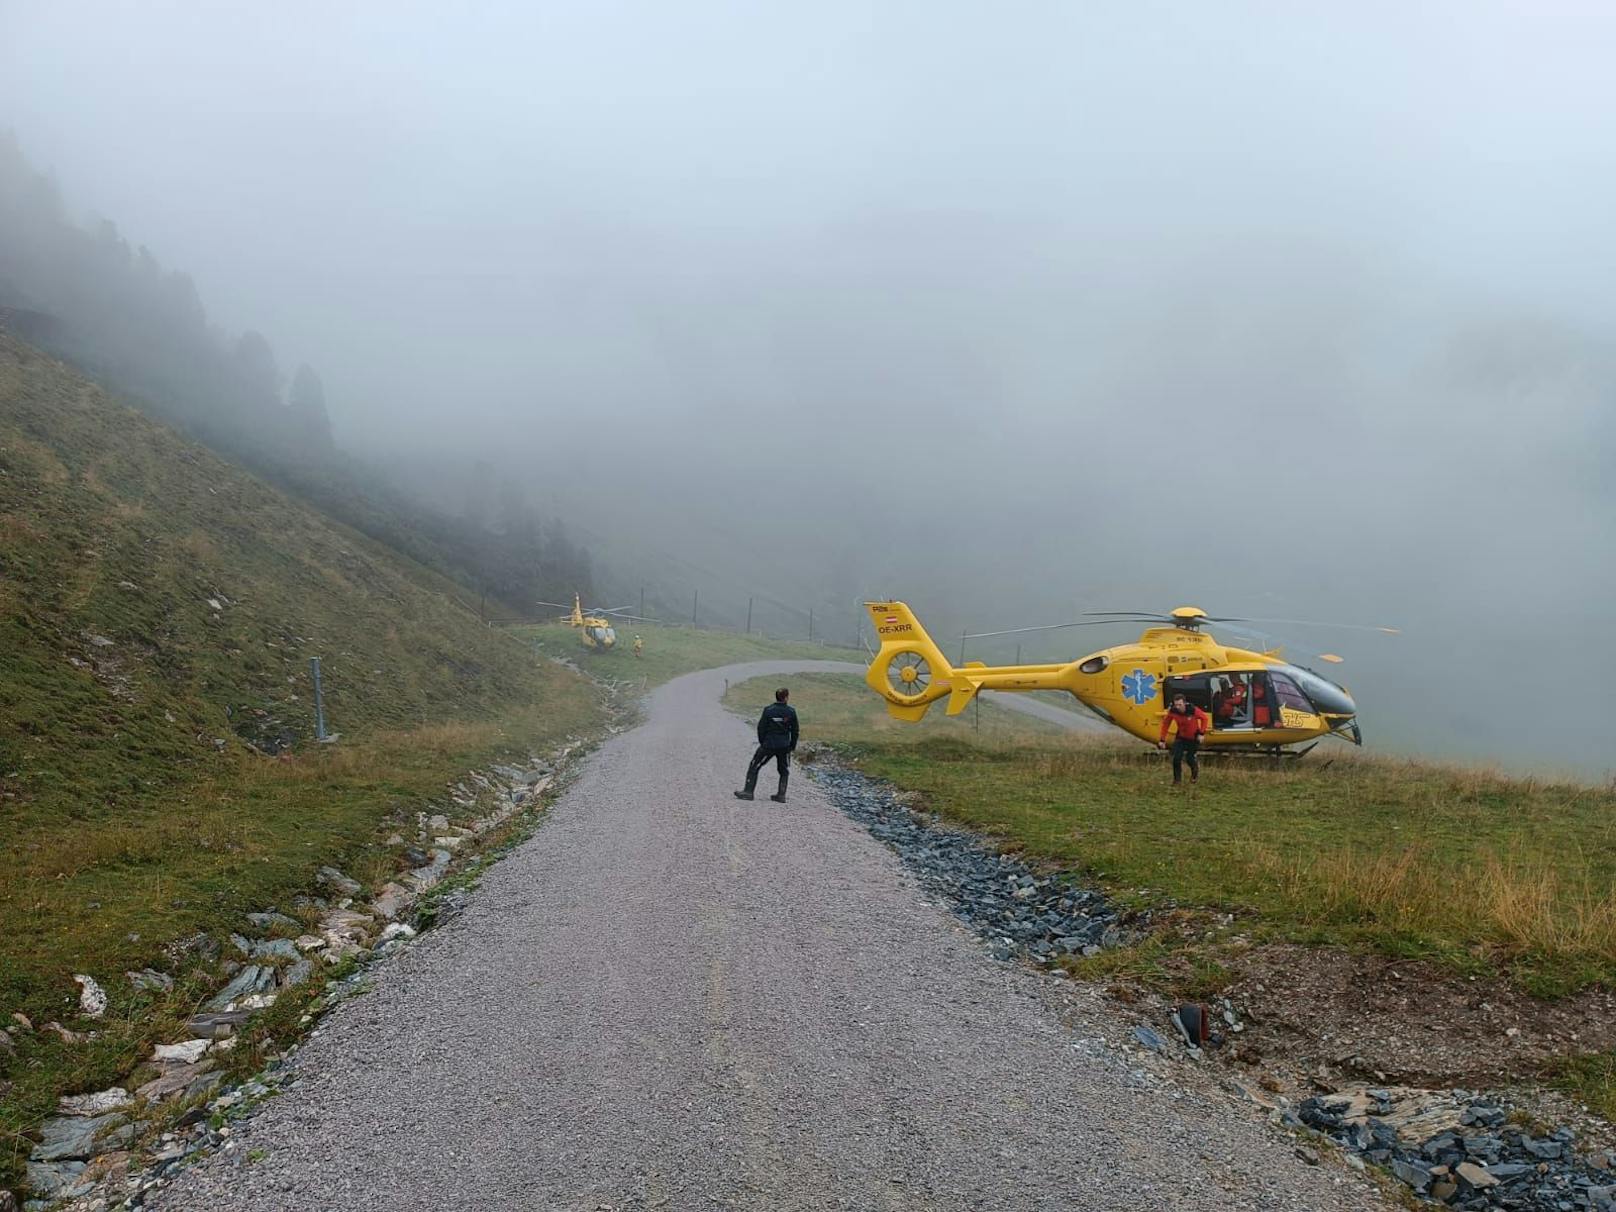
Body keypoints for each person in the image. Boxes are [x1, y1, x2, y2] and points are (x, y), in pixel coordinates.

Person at [735, 687, 798, 802]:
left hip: (769, 744)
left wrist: (763, 742)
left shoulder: (768, 710)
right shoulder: (791, 712)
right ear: (786, 697)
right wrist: (791, 746)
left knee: (755, 765)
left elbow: (761, 728)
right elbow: (795, 731)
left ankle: (748, 792)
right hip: (784, 745)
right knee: (783, 770)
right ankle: (781, 795)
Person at [1158, 692, 1210, 785]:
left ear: (1184, 703)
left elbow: (1204, 719)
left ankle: (1194, 775)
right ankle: (1177, 781)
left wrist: (1201, 733)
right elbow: (1166, 724)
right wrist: (1162, 739)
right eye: (1176, 705)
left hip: (1193, 737)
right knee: (1176, 758)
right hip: (1181, 737)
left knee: (1190, 759)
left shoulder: (1192, 710)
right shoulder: (1173, 711)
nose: (1178, 707)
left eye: (1180, 705)